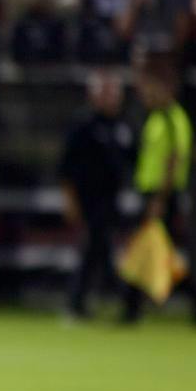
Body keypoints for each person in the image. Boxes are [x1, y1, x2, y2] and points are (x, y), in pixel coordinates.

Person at [123, 54, 196, 326]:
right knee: (153, 253)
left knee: (148, 253)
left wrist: (160, 199)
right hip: (151, 194)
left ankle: (135, 310)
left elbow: (174, 161)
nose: (145, 94)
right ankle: (137, 310)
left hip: (162, 197)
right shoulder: (157, 119)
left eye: (150, 88)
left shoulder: (174, 120)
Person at [58, 69, 134, 321]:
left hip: (114, 199)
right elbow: (65, 167)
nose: (111, 97)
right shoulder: (83, 125)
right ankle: (121, 301)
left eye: (114, 92)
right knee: (96, 248)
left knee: (97, 252)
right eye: (105, 92)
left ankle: (86, 303)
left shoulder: (123, 126)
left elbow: (133, 161)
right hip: (88, 199)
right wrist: (70, 200)